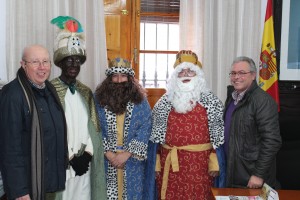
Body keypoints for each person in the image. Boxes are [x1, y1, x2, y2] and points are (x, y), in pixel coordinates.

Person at [150, 50, 226, 200]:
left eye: (190, 71)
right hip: (169, 164)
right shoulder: (164, 102)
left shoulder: (211, 101)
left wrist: (215, 160)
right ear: (175, 76)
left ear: (198, 75)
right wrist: (156, 161)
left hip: (199, 166)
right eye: (181, 71)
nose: (185, 74)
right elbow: (155, 137)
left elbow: (218, 134)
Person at [0, 45, 68, 200]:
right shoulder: (13, 95)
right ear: (23, 65)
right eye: (35, 62)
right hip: (26, 187)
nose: (42, 67)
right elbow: (10, 148)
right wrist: (19, 191)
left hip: (48, 182)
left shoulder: (49, 90)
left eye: (45, 61)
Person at [50, 16, 107, 200]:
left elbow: (93, 128)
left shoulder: (86, 92)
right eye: (69, 60)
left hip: (85, 165)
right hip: (62, 164)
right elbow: (50, 130)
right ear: (60, 62)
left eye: (77, 60)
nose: (74, 65)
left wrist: (88, 155)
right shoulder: (50, 91)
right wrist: (70, 156)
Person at [94, 57, 152, 199]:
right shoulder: (98, 100)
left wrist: (127, 154)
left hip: (132, 160)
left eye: (123, 76)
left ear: (130, 78)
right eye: (115, 76)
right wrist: (109, 154)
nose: (119, 80)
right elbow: (94, 126)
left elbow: (146, 127)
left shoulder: (141, 101)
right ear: (109, 78)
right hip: (106, 159)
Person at [224, 56, 282, 189]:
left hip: (251, 176)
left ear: (253, 75)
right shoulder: (232, 97)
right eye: (233, 73)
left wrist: (258, 174)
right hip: (233, 172)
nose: (236, 77)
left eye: (242, 73)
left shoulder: (263, 101)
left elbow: (272, 141)